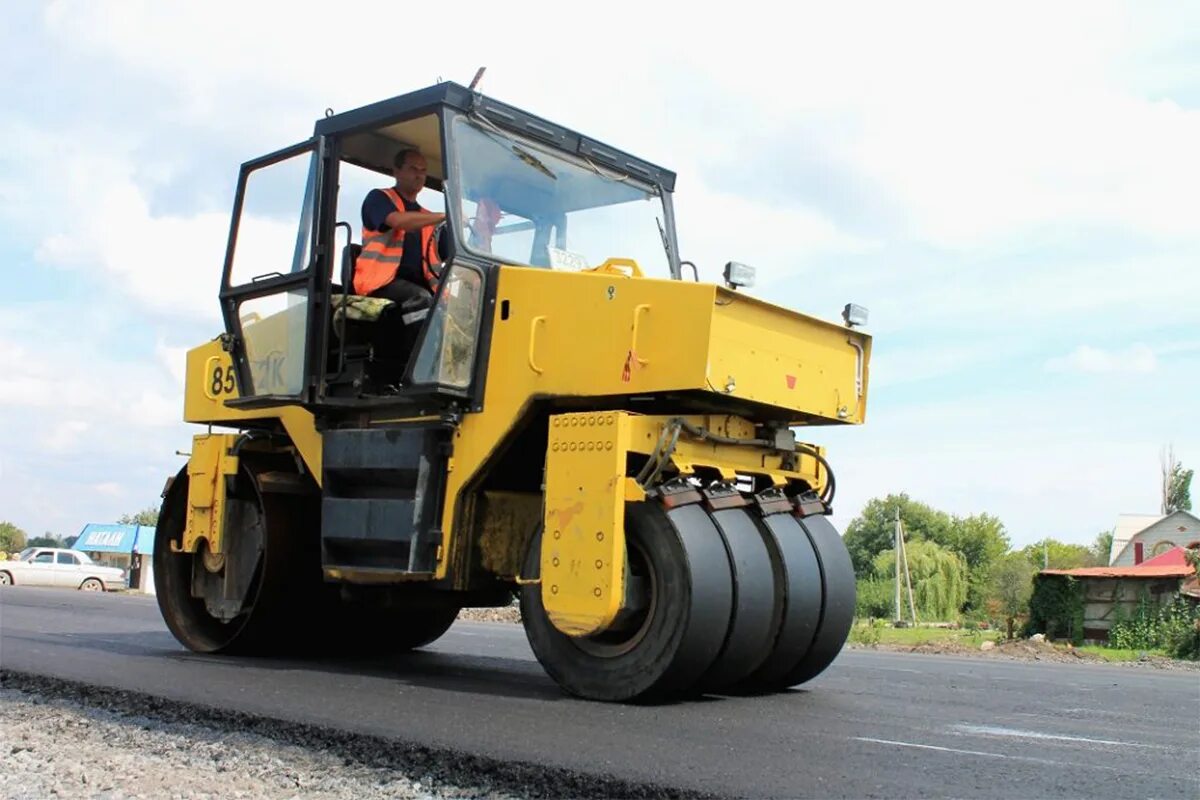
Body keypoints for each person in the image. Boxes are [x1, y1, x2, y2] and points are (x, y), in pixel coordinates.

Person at [352, 149, 446, 313]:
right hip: (382, 282)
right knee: (423, 301)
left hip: (423, 286)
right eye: (413, 169)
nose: (419, 175)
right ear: (396, 171)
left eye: (423, 171)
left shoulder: (427, 218)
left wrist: (482, 226)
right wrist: (444, 216)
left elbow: (453, 252)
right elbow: (398, 221)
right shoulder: (379, 198)